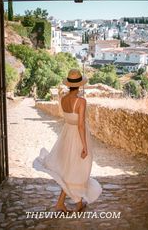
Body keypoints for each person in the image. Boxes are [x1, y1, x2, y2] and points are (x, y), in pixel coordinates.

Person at [33, 68, 102, 212]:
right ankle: (74, 203)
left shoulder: (63, 99)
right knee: (80, 169)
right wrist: (84, 146)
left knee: (70, 170)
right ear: (80, 85)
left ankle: (71, 203)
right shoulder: (81, 101)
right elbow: (81, 125)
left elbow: (68, 118)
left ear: (69, 84)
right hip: (77, 136)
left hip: (66, 135)